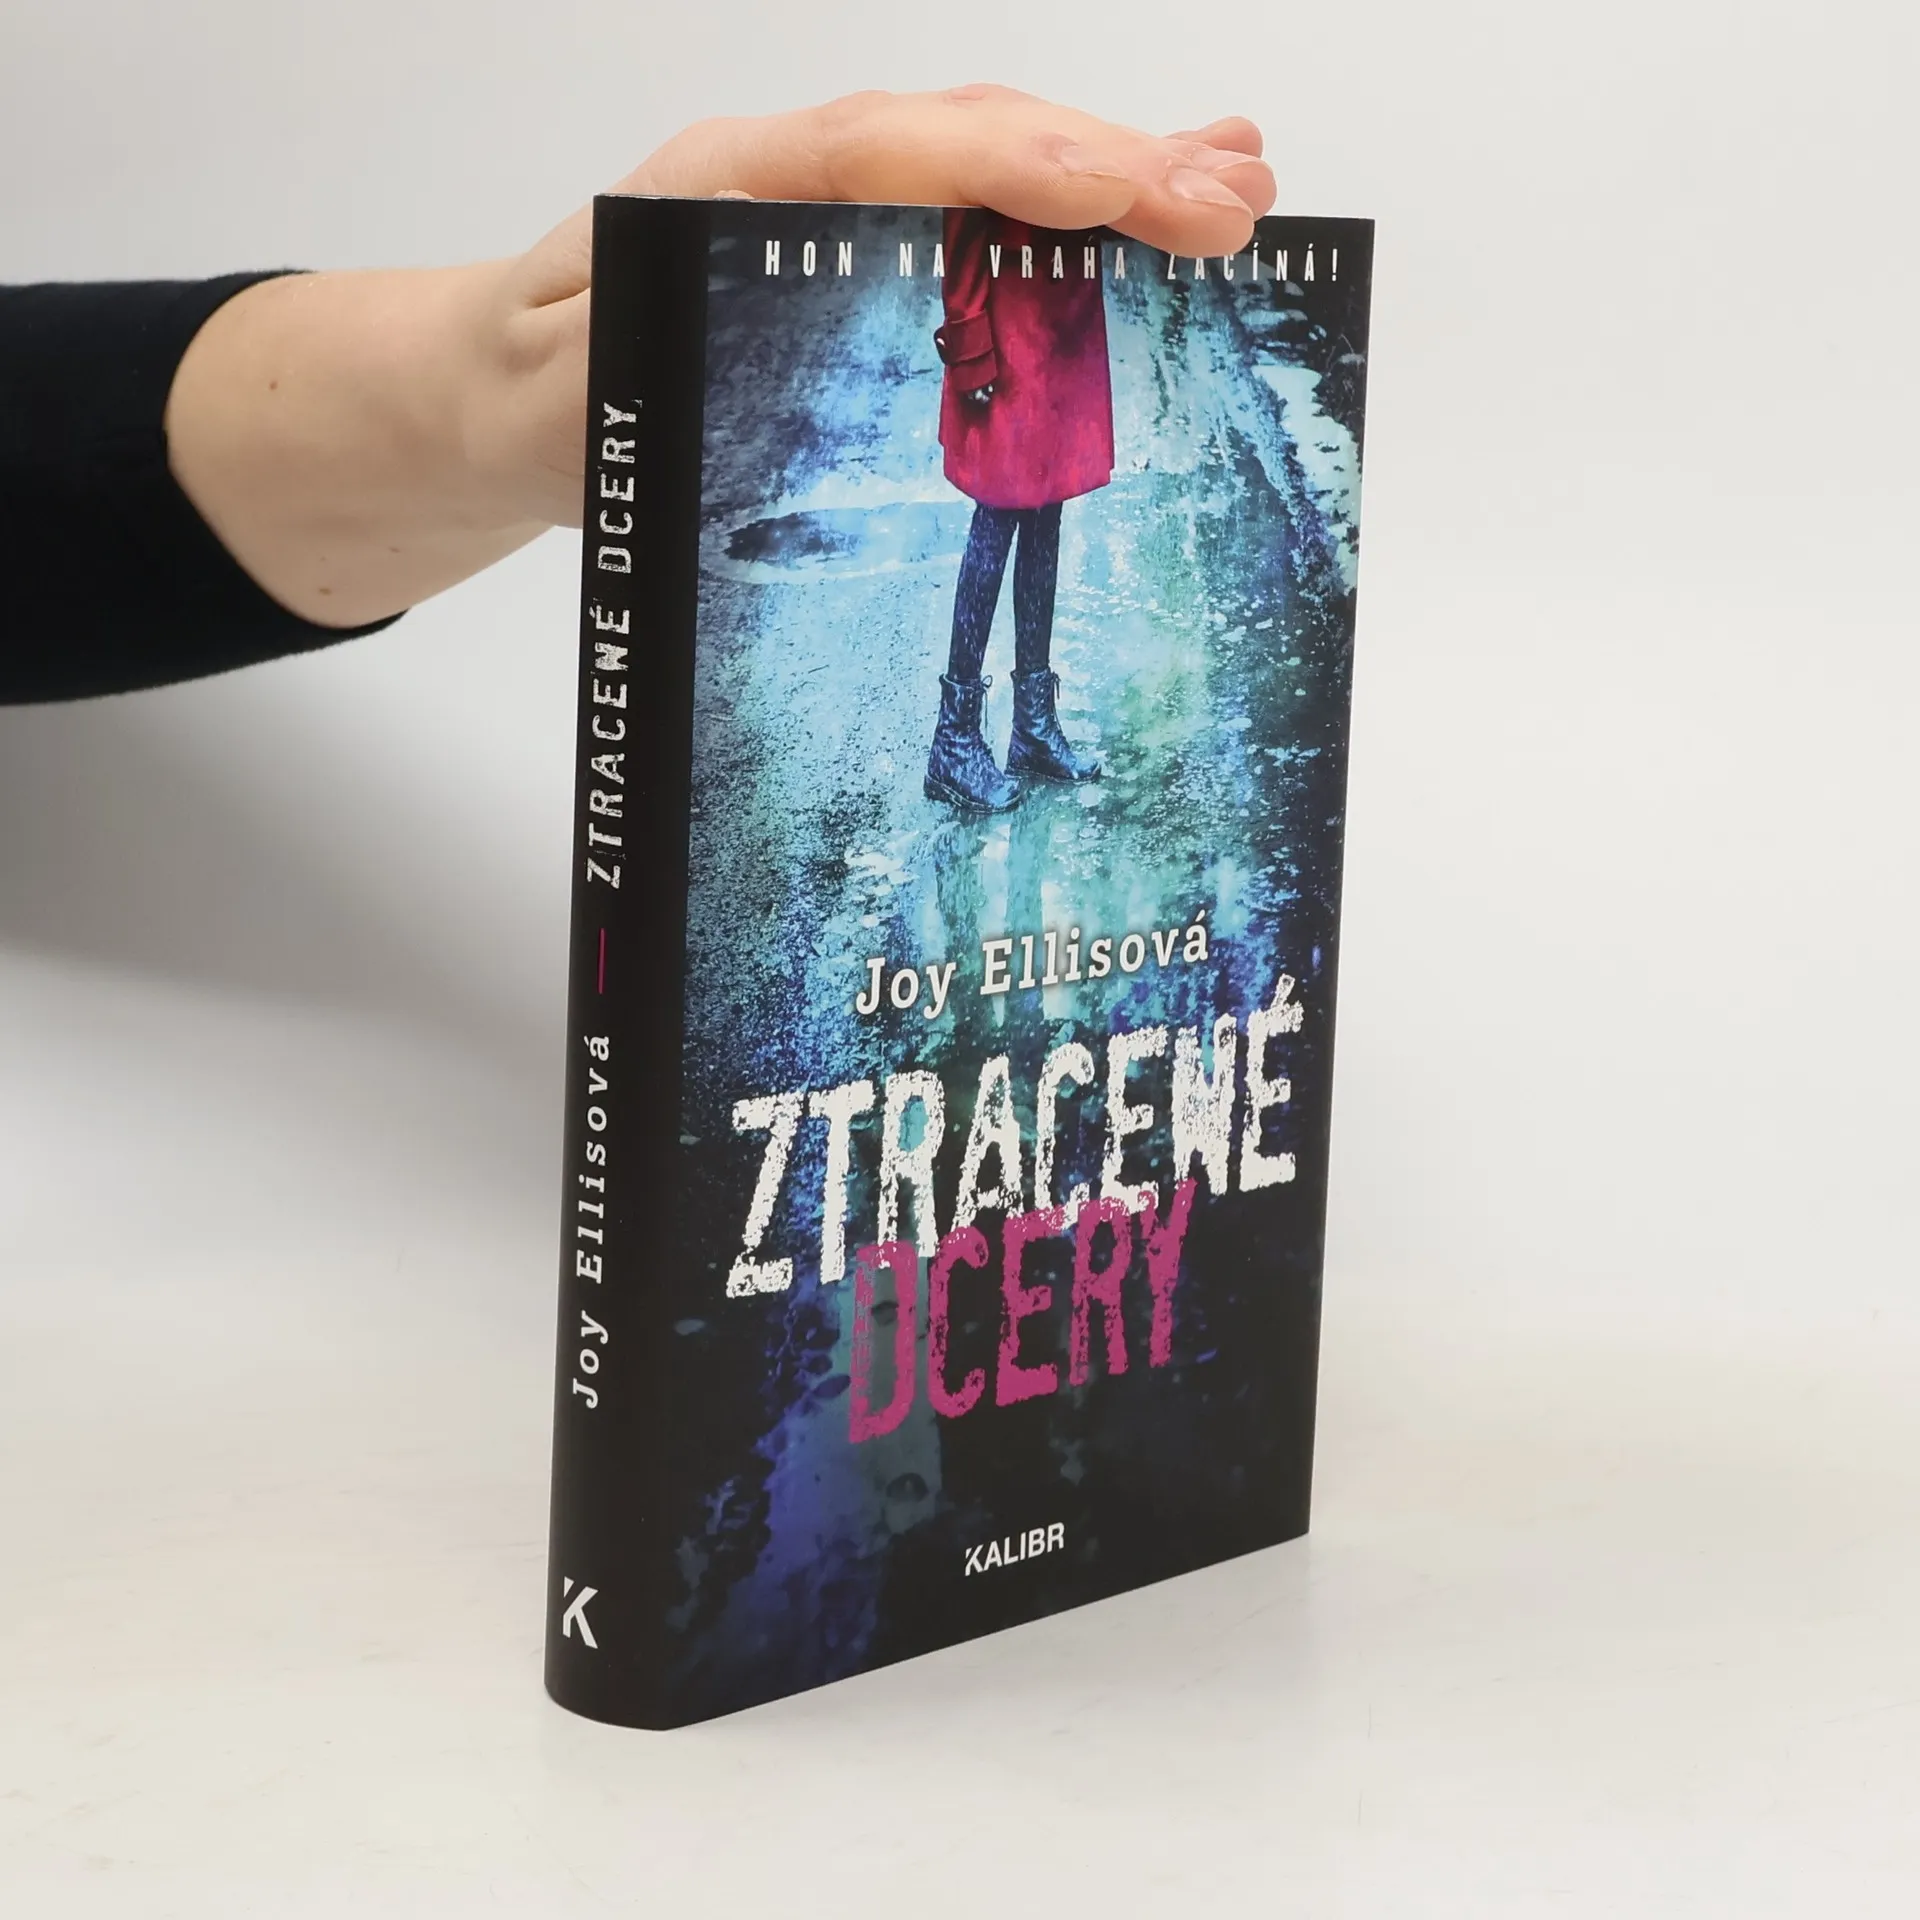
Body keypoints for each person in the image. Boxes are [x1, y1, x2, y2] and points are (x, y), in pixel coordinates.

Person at [0, 88, 1273, 707]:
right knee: (1002, 531)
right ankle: (960, 728)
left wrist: (481, 396)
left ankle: (1029, 713)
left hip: (1064, 360)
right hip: (1016, 367)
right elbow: (963, 277)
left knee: (1044, 527)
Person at [928, 205, 1113, 811]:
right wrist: (970, 340)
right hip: (1008, 318)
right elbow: (963, 208)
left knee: (1045, 508)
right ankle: (954, 741)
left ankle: (1032, 728)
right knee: (998, 512)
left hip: (1062, 314)